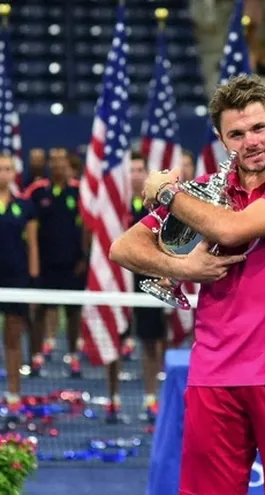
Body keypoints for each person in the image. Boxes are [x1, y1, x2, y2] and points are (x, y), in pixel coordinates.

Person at [109, 74, 265, 494]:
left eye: (259, 128)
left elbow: (231, 229)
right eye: (237, 134)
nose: (251, 141)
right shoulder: (206, 193)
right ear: (221, 139)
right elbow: (123, 248)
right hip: (214, 378)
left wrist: (167, 193)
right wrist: (183, 268)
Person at [0, 153, 39, 422]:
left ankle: (14, 398)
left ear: (14, 173)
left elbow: (32, 245)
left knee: (13, 341)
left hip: (16, 280)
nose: (3, 173)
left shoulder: (25, 206)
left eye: (7, 169)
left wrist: (33, 280)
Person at [112, 151, 168, 424]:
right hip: (118, 281)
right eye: (131, 170)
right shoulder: (115, 205)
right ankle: (113, 400)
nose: (135, 175)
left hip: (149, 279)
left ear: (146, 174)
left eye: (139, 170)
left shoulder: (158, 206)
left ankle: (150, 397)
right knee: (113, 337)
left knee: (150, 342)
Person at [25, 147, 87, 378]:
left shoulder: (80, 191)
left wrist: (84, 257)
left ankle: (74, 357)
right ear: (49, 164)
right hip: (45, 266)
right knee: (38, 312)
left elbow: (87, 226)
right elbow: (29, 229)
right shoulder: (37, 192)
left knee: (73, 314)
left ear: (67, 164)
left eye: (62, 160)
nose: (58, 164)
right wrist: (33, 266)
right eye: (54, 160)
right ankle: (36, 358)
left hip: (73, 265)